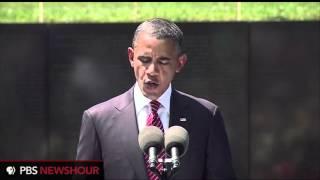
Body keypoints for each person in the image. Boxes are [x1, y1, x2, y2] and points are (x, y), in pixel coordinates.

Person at [76, 18, 236, 180]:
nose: (152, 70)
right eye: (144, 60)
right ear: (131, 57)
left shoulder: (206, 116)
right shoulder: (98, 120)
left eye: (163, 61)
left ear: (180, 63)